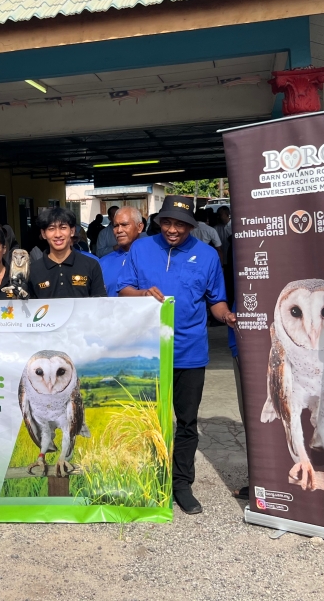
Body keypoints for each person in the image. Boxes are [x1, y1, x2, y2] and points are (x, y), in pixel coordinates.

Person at [117, 196, 235, 515]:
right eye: (167, 222)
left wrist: (227, 317)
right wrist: (142, 294)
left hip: (190, 353)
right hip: (147, 352)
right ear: (158, 222)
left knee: (186, 423)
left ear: (191, 226)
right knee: (148, 421)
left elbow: (217, 301)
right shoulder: (140, 249)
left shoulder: (207, 256)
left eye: (180, 224)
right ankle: (150, 480)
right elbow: (124, 288)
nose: (172, 229)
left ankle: (181, 484)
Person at [29, 207, 106, 298]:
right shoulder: (32, 270)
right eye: (51, 228)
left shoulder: (91, 265)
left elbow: (100, 304)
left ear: (72, 231)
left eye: (63, 227)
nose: (58, 234)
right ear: (43, 234)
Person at [99, 207, 145, 297]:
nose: (119, 230)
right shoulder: (103, 263)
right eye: (115, 226)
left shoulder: (152, 258)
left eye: (124, 225)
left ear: (140, 227)